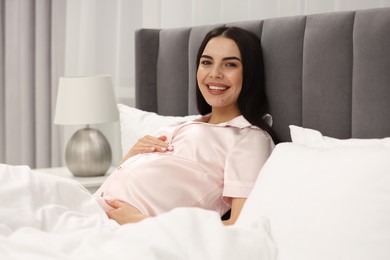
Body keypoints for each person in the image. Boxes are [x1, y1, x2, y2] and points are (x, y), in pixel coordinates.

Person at [93, 26, 278, 225]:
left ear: (249, 73)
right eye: (206, 62)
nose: (214, 73)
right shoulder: (182, 125)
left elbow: (240, 224)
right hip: (92, 212)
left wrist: (143, 222)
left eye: (230, 65)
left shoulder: (249, 138)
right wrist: (128, 160)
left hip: (128, 231)